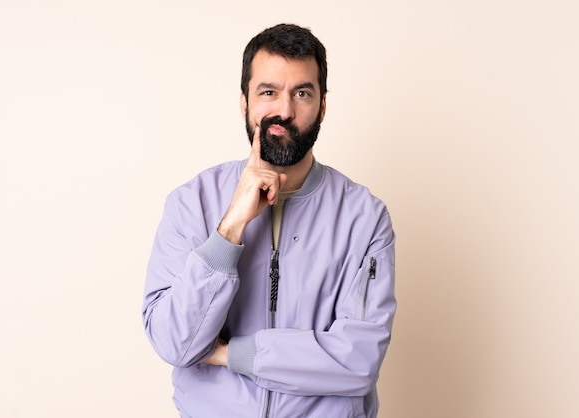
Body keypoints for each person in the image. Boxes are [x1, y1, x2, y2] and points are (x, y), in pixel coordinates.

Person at [142, 23, 396, 418]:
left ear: (323, 106)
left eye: (302, 93)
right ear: (244, 102)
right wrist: (229, 230)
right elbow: (176, 344)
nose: (284, 110)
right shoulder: (192, 203)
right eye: (268, 92)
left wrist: (231, 354)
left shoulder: (364, 218)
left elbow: (358, 361)